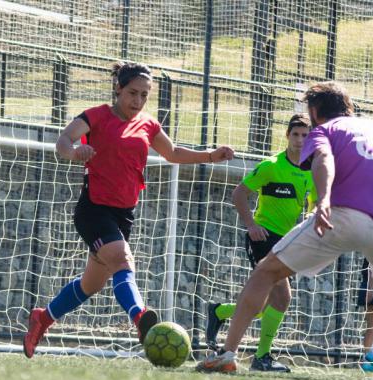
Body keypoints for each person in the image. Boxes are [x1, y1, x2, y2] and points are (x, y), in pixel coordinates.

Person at [197, 81, 373, 380]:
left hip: (340, 216)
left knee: (265, 273)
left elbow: (324, 160)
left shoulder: (324, 131)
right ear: (349, 106)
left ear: (314, 111)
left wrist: (325, 198)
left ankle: (227, 355)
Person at [23, 62, 235, 358]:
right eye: (132, 93)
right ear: (118, 89)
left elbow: (172, 152)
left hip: (124, 215)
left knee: (90, 285)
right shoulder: (96, 116)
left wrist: (211, 156)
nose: (137, 101)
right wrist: (74, 152)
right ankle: (140, 318)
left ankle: (42, 318)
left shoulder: (148, 124)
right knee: (123, 260)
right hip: (93, 210)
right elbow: (63, 140)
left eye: (144, 95)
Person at [205, 114, 315, 372]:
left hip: (289, 240)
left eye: (305, 135)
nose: (300, 140)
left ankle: (221, 312)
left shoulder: (313, 170)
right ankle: (261, 357)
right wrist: (251, 225)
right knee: (282, 297)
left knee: (267, 306)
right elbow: (239, 194)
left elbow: (316, 203)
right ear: (287, 136)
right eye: (296, 134)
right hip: (263, 236)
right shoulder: (271, 165)